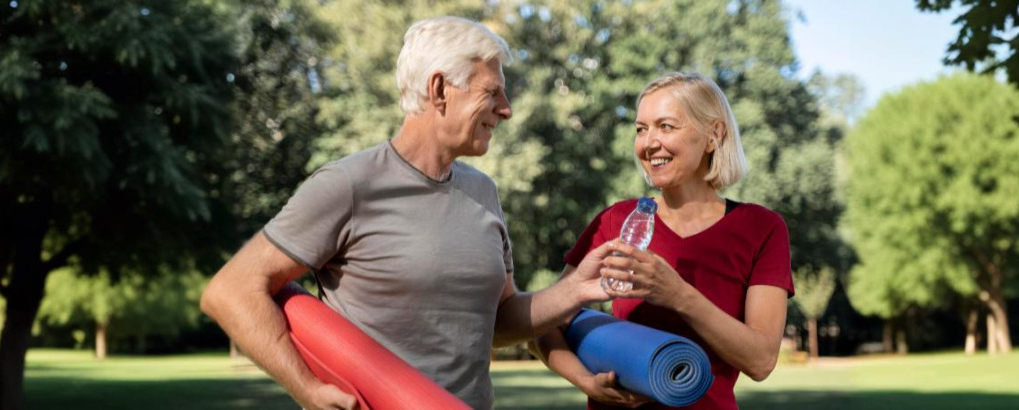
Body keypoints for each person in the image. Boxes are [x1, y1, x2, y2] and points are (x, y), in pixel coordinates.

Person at [200, 16, 616, 410]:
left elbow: (499, 323)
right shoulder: (349, 184)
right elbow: (231, 291)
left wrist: (576, 288)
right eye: (492, 92)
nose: (506, 109)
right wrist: (306, 388)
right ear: (439, 90)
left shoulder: (482, 191)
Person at [533, 72, 794, 409]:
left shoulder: (762, 228)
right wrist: (585, 382)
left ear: (714, 135)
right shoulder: (616, 220)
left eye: (666, 127)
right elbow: (545, 323)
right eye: (641, 129)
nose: (648, 143)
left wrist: (678, 295)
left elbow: (761, 361)